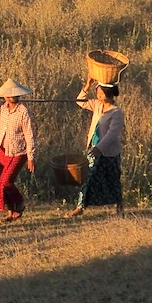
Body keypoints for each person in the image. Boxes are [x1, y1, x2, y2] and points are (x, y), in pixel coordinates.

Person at [65, 78, 125, 218]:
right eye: (97, 93)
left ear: (110, 94)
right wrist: (87, 85)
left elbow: (112, 134)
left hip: (109, 152)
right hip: (94, 149)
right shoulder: (97, 105)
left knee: (113, 179)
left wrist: (99, 148)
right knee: (88, 177)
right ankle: (80, 207)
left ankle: (120, 206)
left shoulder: (116, 112)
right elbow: (80, 101)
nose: (98, 96)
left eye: (101, 93)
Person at [0, 79, 37, 223]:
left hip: (19, 151)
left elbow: (29, 135)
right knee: (0, 182)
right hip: (4, 150)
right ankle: (11, 212)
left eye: (13, 95)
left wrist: (31, 157)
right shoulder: (2, 109)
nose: (10, 97)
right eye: (8, 95)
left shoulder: (23, 111)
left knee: (6, 181)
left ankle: (19, 204)